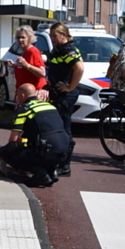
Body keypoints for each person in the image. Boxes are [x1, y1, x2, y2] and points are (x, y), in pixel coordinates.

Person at [0, 83, 70, 188]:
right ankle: (51, 170)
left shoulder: (24, 109)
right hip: (64, 153)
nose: (16, 98)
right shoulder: (49, 105)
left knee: (6, 151)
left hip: (45, 152)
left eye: (17, 96)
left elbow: (13, 139)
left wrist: (8, 153)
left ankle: (41, 174)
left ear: (22, 96)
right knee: (39, 147)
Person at [43, 22, 84, 176]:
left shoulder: (68, 50)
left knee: (64, 129)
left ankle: (65, 165)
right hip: (57, 93)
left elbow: (79, 68)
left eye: (55, 35)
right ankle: (58, 161)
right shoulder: (59, 50)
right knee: (58, 127)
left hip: (65, 95)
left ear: (64, 35)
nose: (52, 38)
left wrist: (70, 87)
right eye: (51, 35)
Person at [12, 26, 48, 101]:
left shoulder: (33, 51)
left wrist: (26, 65)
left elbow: (42, 73)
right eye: (18, 37)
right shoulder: (24, 52)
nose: (20, 40)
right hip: (24, 93)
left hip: (34, 93)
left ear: (30, 38)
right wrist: (14, 66)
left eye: (23, 37)